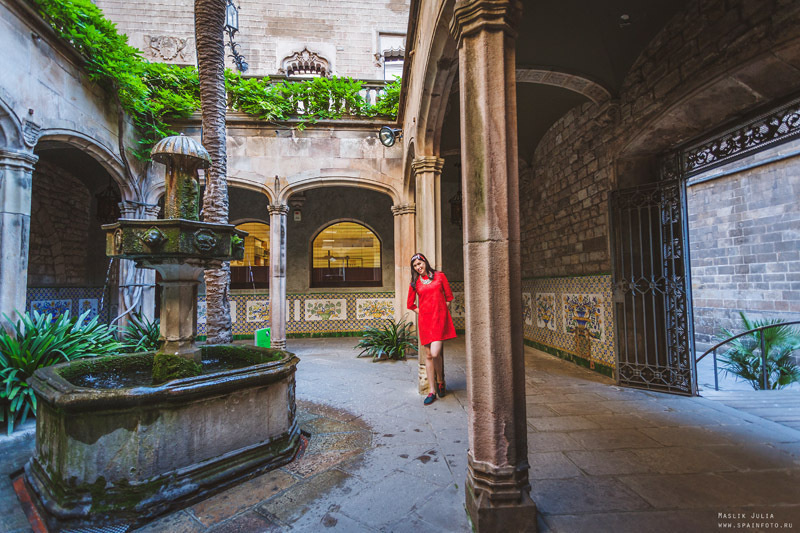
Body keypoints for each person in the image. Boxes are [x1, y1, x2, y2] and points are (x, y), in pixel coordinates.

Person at [406, 253, 456, 405]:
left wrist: (441, 312)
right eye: (415, 266)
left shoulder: (440, 276)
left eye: (420, 264)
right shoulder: (415, 283)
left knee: (435, 353)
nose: (418, 267)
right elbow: (410, 304)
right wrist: (422, 313)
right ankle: (432, 390)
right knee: (429, 355)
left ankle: (440, 380)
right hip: (425, 321)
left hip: (439, 319)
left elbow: (449, 297)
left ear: (425, 262)